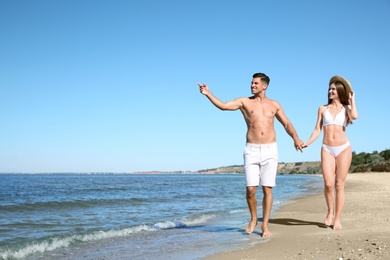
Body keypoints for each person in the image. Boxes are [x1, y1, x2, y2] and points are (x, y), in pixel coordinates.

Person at [197, 72, 304, 238]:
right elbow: (224, 106)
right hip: (251, 150)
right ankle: (253, 218)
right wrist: (208, 94)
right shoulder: (244, 102)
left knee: (267, 189)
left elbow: (287, 124)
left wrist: (295, 137)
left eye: (255, 84)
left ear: (264, 86)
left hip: (270, 150)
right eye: (251, 83)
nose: (252, 86)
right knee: (251, 190)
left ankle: (265, 226)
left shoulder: (274, 105)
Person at [303, 75, 358, 230]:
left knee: (339, 185)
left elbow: (355, 116)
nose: (330, 91)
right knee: (328, 184)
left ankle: (338, 218)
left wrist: (352, 99)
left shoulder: (346, 109)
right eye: (329, 88)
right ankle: (330, 211)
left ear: (340, 91)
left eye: (333, 89)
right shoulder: (322, 108)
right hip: (327, 148)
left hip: (343, 148)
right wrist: (307, 142)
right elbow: (317, 130)